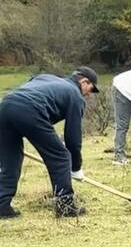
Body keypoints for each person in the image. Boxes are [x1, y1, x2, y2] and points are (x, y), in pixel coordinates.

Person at [0, 67, 96, 219]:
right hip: (30, 109)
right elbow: (73, 138)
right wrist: (75, 167)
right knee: (61, 157)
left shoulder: (46, 77)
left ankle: (2, 206)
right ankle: (65, 207)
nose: (89, 94)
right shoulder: (75, 96)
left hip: (6, 104)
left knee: (11, 158)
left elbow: (31, 85)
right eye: (91, 89)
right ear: (84, 81)